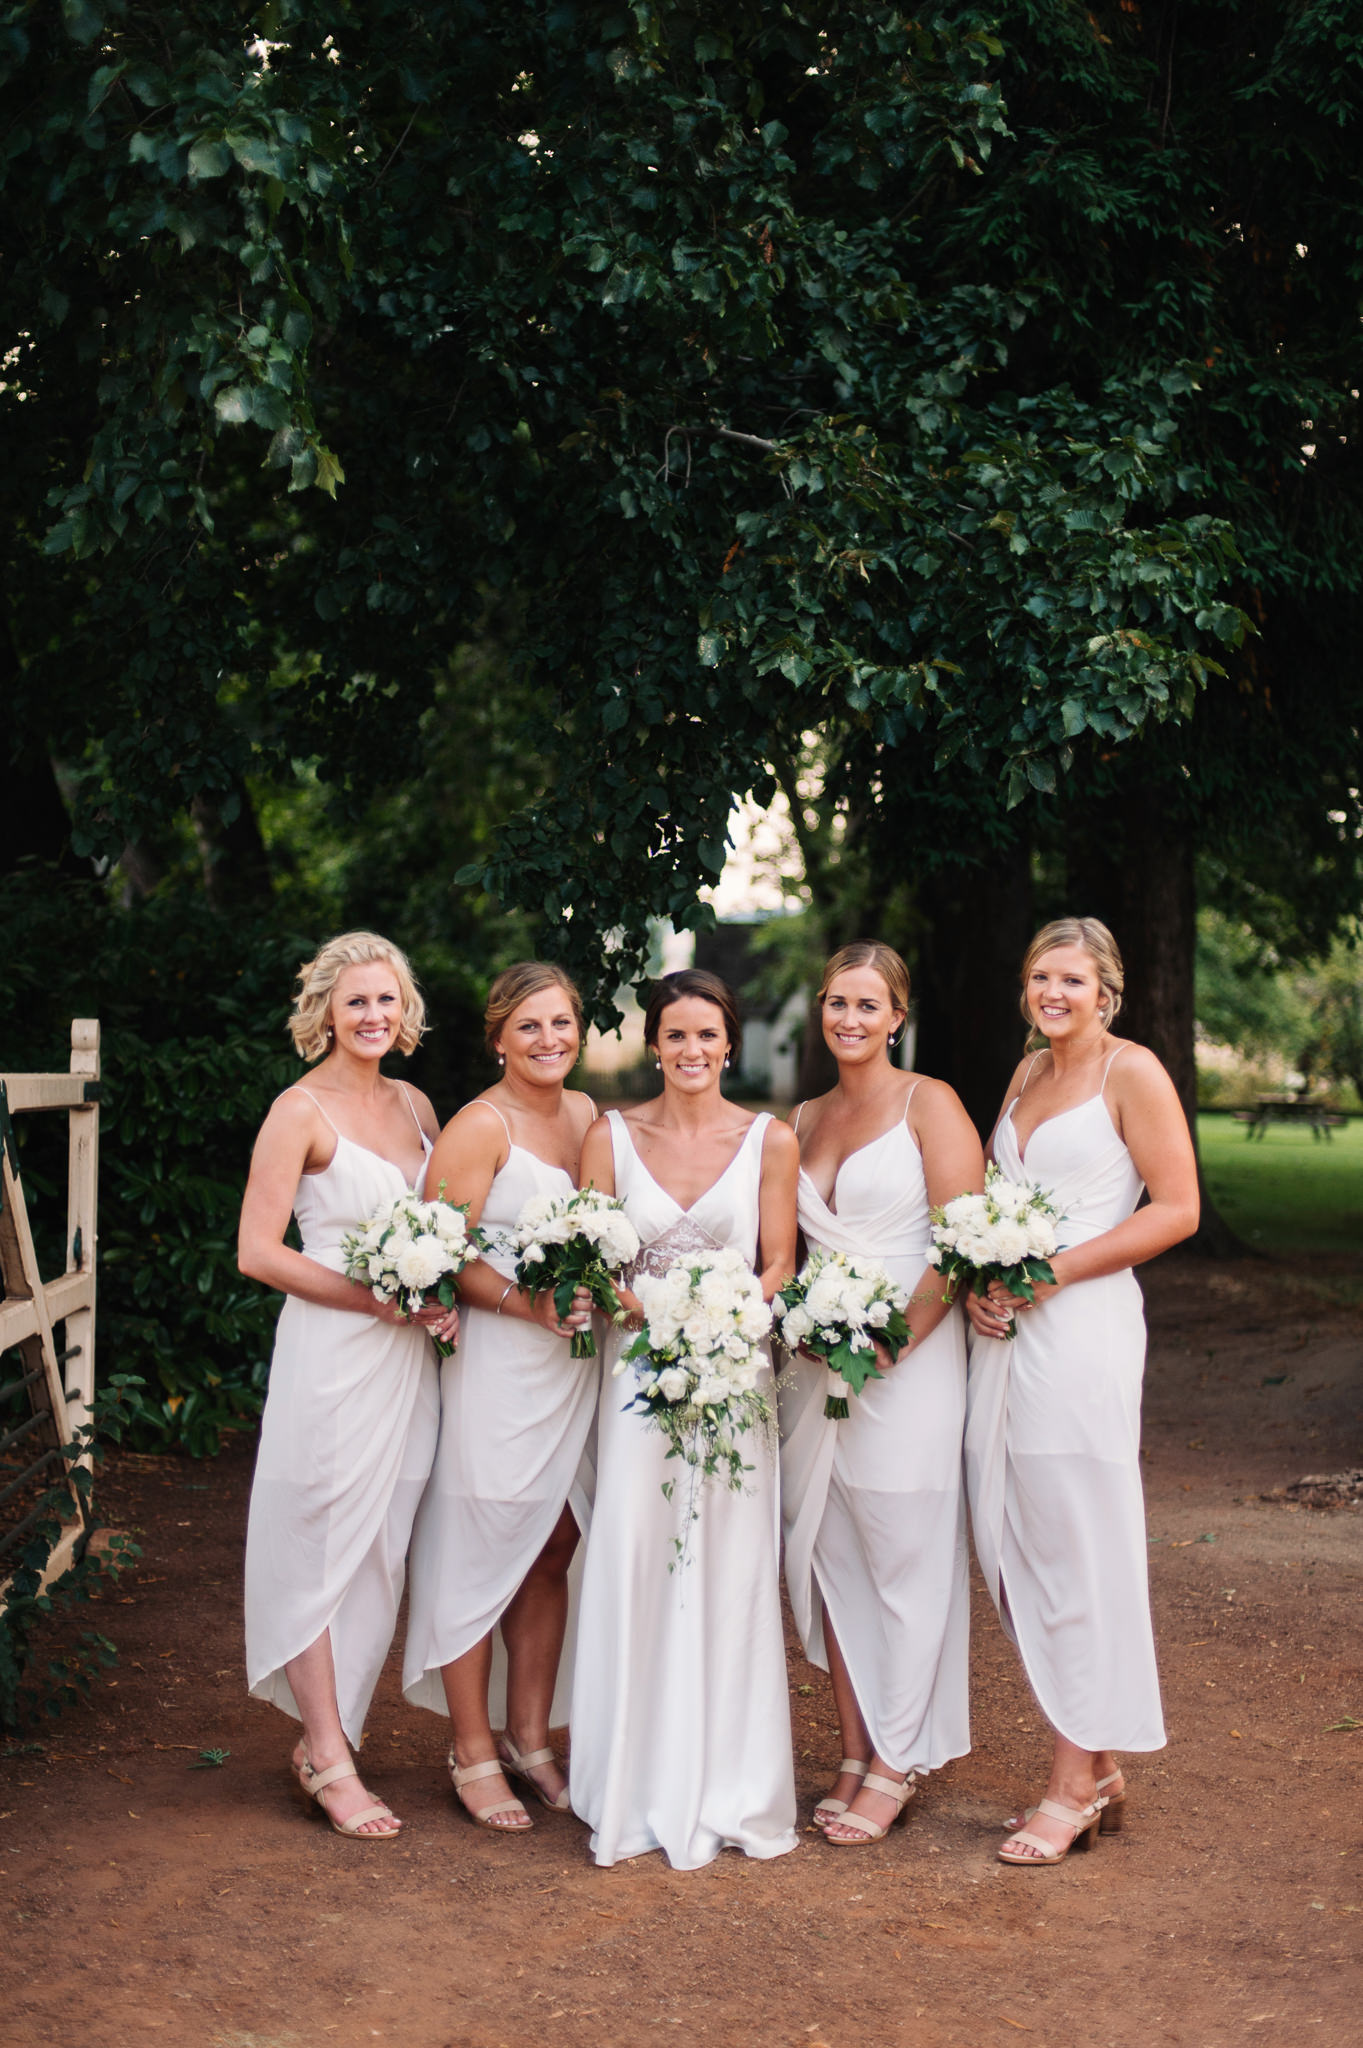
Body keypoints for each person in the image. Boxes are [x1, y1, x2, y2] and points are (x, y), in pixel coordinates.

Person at [963, 916, 1199, 1865]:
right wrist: (984, 1279)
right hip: (1007, 1337)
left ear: (1106, 990)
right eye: (1036, 978)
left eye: (1068, 980)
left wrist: (1050, 1273)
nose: (1049, 994)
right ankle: (1096, 1761)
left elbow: (1176, 1209)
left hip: (1081, 1336)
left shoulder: (1129, 1072)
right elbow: (992, 1202)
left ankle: (1070, 1785)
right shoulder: (1026, 1075)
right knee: (1010, 1541)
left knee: (1075, 1548)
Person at [568, 969, 801, 1869]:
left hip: (733, 1374)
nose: (692, 1052)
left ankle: (729, 1782)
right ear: (651, 1044)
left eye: (708, 1036)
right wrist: (647, 1310)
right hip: (637, 1378)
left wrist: (729, 1310)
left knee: (729, 1566)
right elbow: (593, 1260)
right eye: (675, 1037)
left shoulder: (768, 1141)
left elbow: (777, 1262)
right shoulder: (610, 1137)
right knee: (636, 1553)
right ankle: (629, 1782)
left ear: (729, 1043)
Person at [239, 931, 453, 1840]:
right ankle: (328, 1752)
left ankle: (332, 1729)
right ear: (325, 1009)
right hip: (333, 1350)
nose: (374, 1015)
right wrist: (377, 1300)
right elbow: (257, 1252)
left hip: (410, 1362)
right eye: (357, 1000)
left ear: (406, 1011)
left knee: (383, 1540)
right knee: (321, 1535)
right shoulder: (298, 1109)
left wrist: (440, 1297)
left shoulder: (416, 1105)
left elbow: (451, 1225)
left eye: (388, 1000)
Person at [780, 942, 984, 1845]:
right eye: (835, 1003)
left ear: (896, 1016)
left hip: (908, 1355)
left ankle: (899, 1759)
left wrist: (897, 1338)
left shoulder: (928, 1102)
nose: (848, 1021)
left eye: (867, 1006)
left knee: (904, 1552)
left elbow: (961, 1241)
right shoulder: (804, 1115)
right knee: (833, 1557)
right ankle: (856, 1750)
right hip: (819, 1365)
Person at [403, 963, 596, 1832]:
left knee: (554, 1538)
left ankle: (532, 1737)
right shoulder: (479, 1126)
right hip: (499, 1362)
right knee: (479, 1542)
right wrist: (530, 1302)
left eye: (561, 1024)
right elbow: (438, 1250)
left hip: (574, 1364)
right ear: (497, 1038)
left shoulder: (588, 1116)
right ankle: (470, 1747)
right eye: (529, 1027)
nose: (548, 1040)